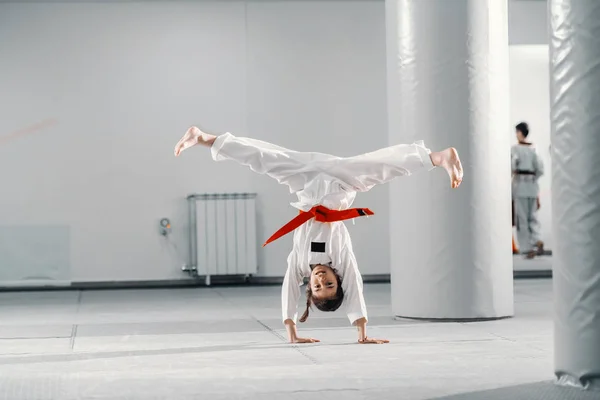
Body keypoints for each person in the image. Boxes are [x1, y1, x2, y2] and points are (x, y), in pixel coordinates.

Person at [174, 126, 463, 344]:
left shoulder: (299, 265)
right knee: (380, 166)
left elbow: (288, 291)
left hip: (307, 183)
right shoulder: (342, 260)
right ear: (338, 279)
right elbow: (357, 288)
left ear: (309, 289)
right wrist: (362, 332)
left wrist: (292, 332)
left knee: (263, 158)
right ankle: (437, 157)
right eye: (330, 284)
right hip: (342, 182)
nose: (321, 279)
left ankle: (201, 137)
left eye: (316, 287)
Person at [511, 122, 544, 259]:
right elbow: (540, 169)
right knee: (533, 217)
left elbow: (512, 165)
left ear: (520, 132)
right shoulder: (534, 148)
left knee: (522, 219)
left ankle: (527, 248)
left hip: (520, 186)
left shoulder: (515, 149)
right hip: (532, 186)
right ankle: (536, 240)